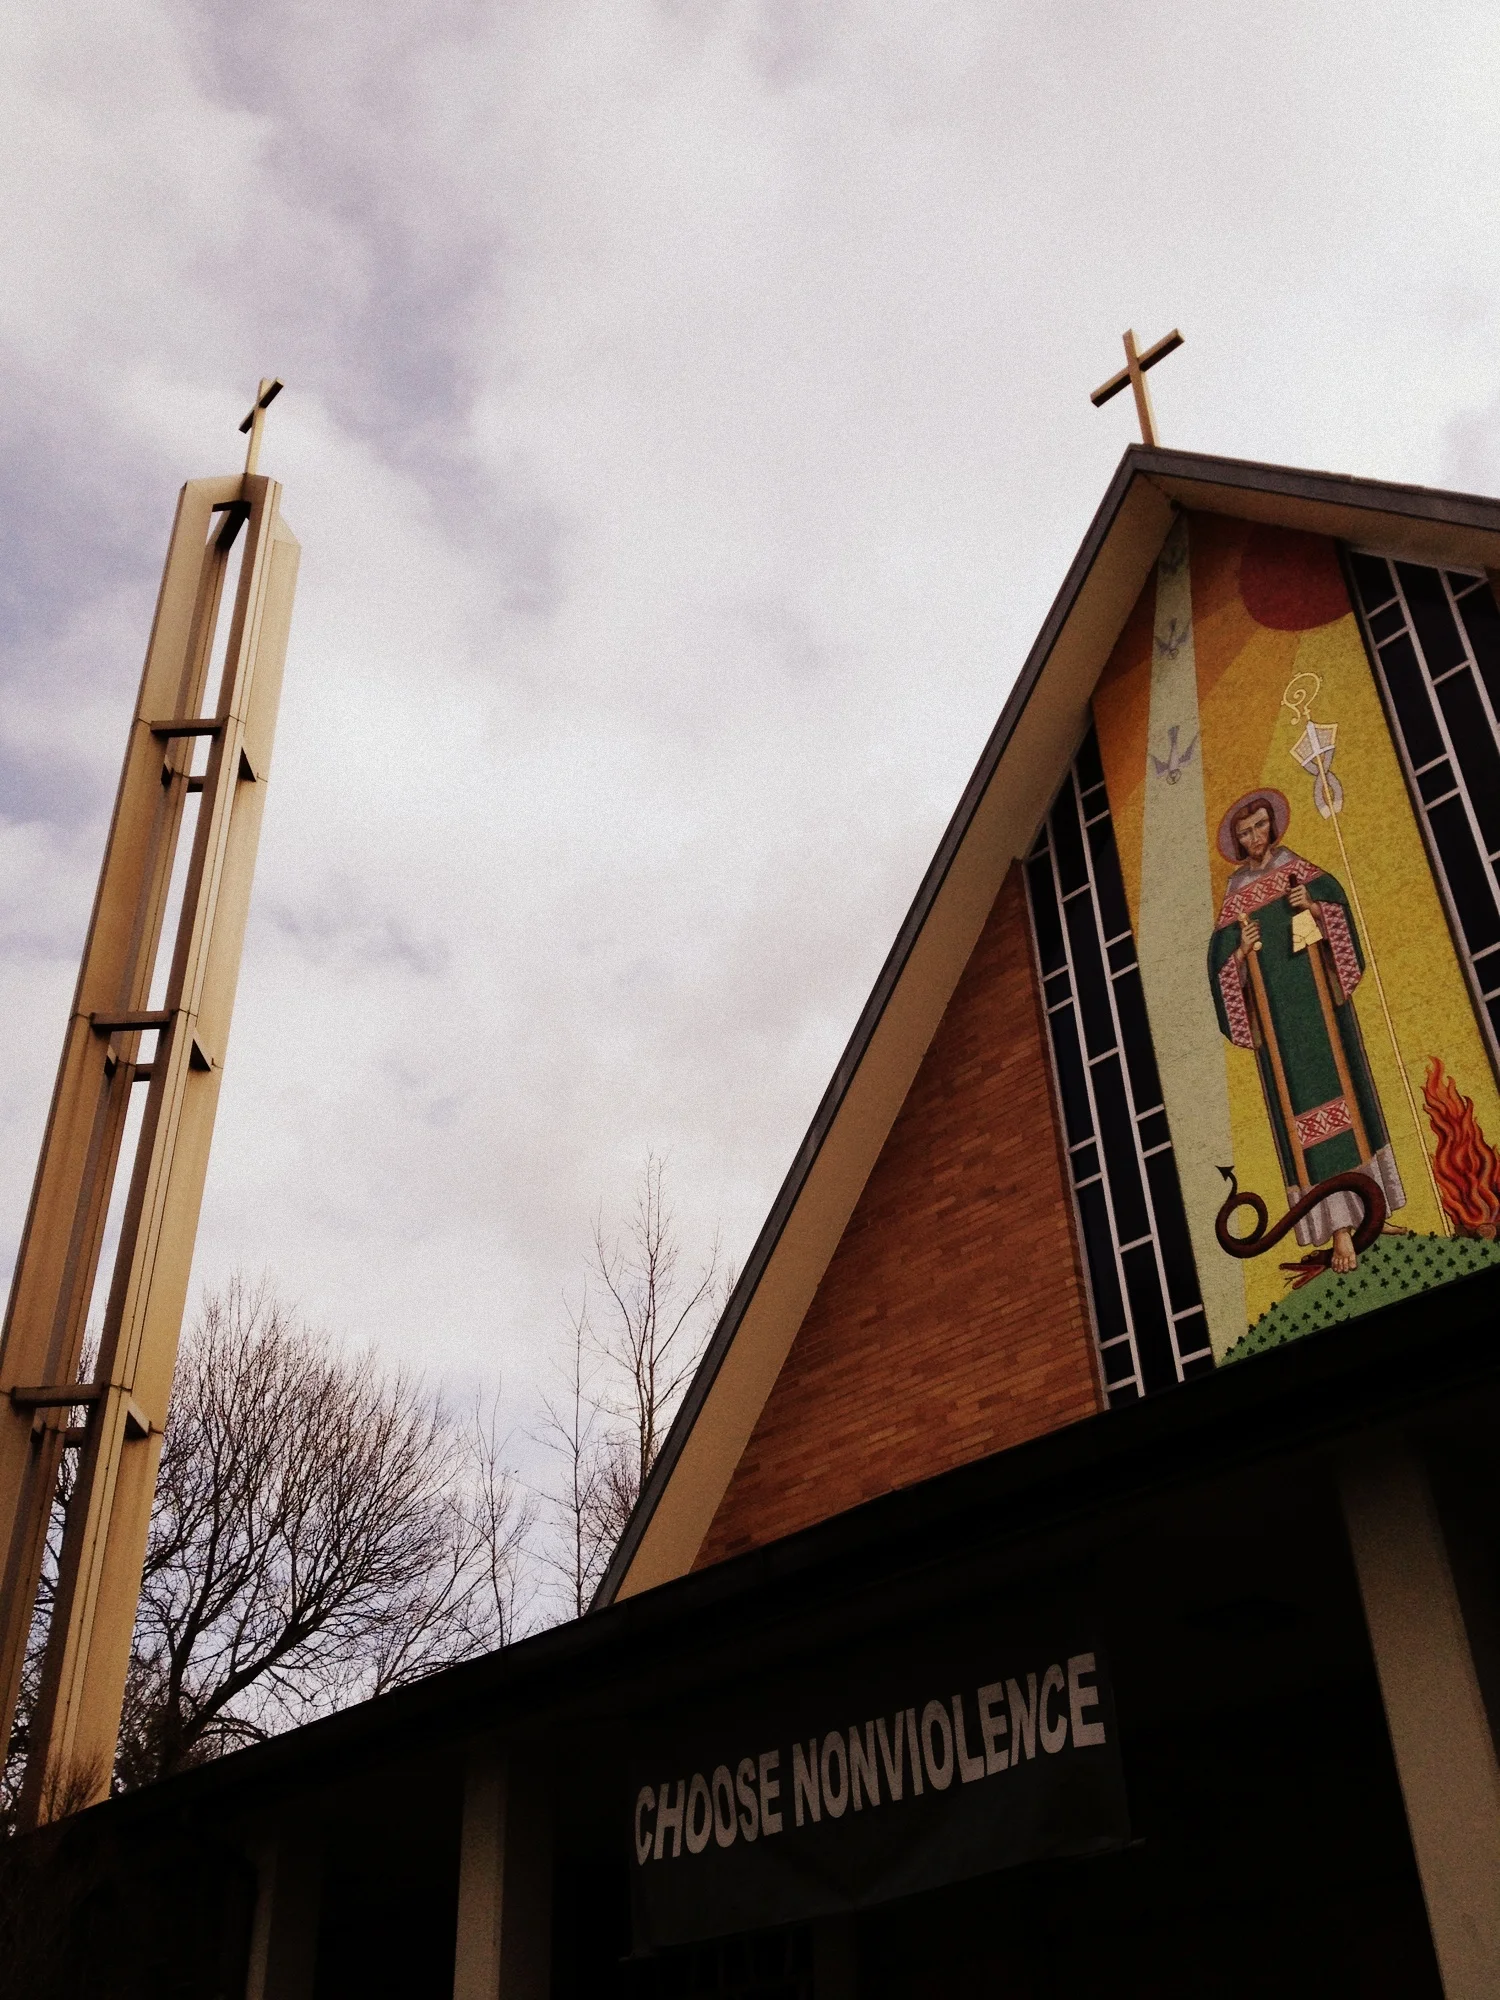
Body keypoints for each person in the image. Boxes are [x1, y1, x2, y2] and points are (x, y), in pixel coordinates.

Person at [1207, 789, 1404, 1273]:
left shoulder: (1298, 868)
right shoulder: (1236, 896)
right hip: (1282, 1036)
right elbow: (1219, 968)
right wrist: (1240, 953)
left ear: (1272, 826)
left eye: (1259, 826)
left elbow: (1337, 910)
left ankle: (1371, 1217)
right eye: (1244, 832)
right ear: (1237, 841)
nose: (1255, 838)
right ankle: (1338, 1231)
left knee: (1351, 1100)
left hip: (1322, 1015)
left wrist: (1313, 907)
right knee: (1305, 1125)